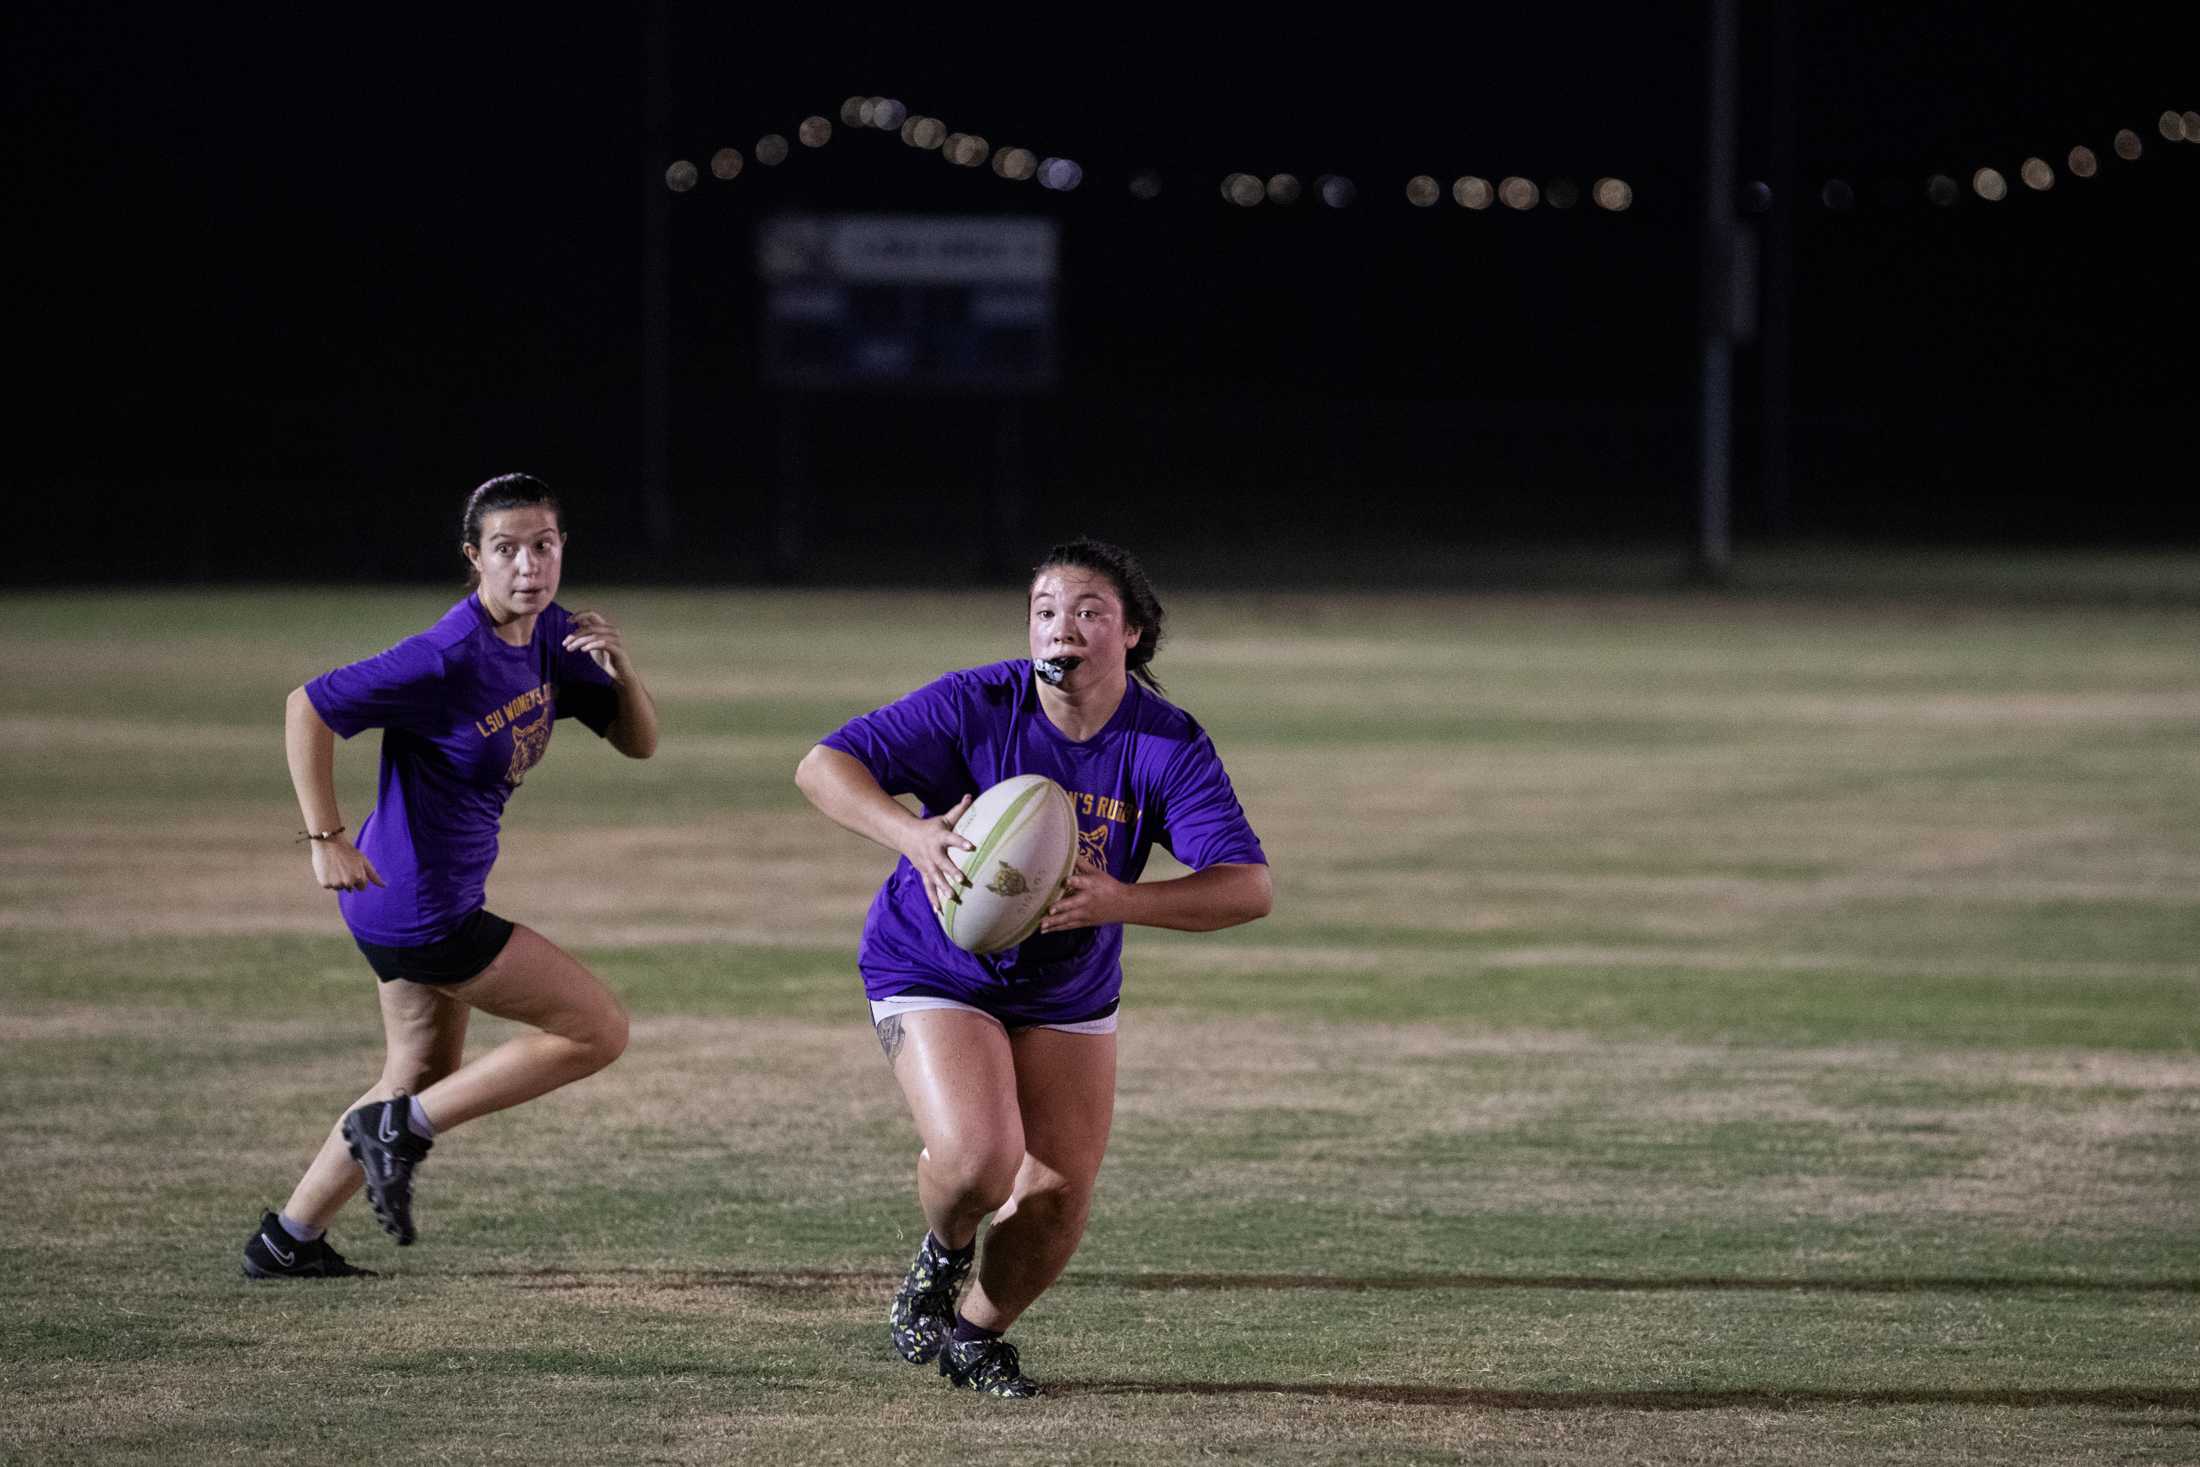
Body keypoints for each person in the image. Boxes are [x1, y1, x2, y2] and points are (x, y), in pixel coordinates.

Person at [794, 536, 1272, 1396]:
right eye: (1046, 611)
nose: (1064, 628)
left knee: (1056, 1198)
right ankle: (940, 1258)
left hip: (1068, 987)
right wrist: (915, 834)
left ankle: (974, 1336)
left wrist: (1123, 900)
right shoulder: (978, 702)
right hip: (936, 962)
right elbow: (821, 765)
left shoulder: (1164, 744)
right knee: (982, 1159)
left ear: (1131, 634)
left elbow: (1248, 888)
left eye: (1090, 612)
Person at [241, 472, 659, 1279]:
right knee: (596, 1029)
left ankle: (288, 1239)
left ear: (562, 548)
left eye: (543, 545)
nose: (528, 565)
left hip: (409, 903)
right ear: (475, 557)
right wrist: (324, 835)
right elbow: (309, 705)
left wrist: (623, 670)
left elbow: (637, 743)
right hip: (417, 908)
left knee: (416, 1073)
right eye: (507, 549)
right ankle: (400, 1129)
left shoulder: (551, 637)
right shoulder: (444, 655)